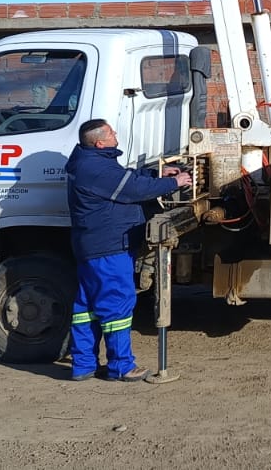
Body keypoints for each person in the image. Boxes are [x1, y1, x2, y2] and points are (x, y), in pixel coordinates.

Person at [65, 118, 192, 382]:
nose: (116, 135)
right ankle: (121, 367)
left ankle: (83, 365)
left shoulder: (90, 162)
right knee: (116, 307)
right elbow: (133, 189)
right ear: (100, 142)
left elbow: (125, 179)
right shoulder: (96, 168)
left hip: (92, 247)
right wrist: (175, 182)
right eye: (111, 133)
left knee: (87, 306)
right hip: (109, 248)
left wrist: (156, 174)